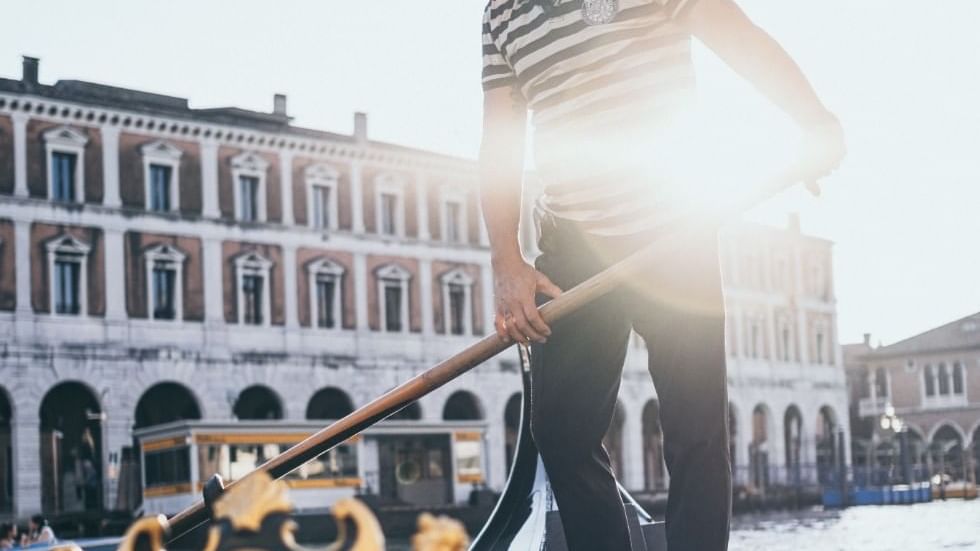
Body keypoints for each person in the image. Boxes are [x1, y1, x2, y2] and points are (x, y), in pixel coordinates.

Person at [479, 1, 845, 550]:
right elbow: (501, 143)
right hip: (573, 244)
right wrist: (507, 262)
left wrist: (814, 120)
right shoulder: (501, 12)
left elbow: (737, 37)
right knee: (560, 431)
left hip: (675, 231)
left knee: (695, 432)